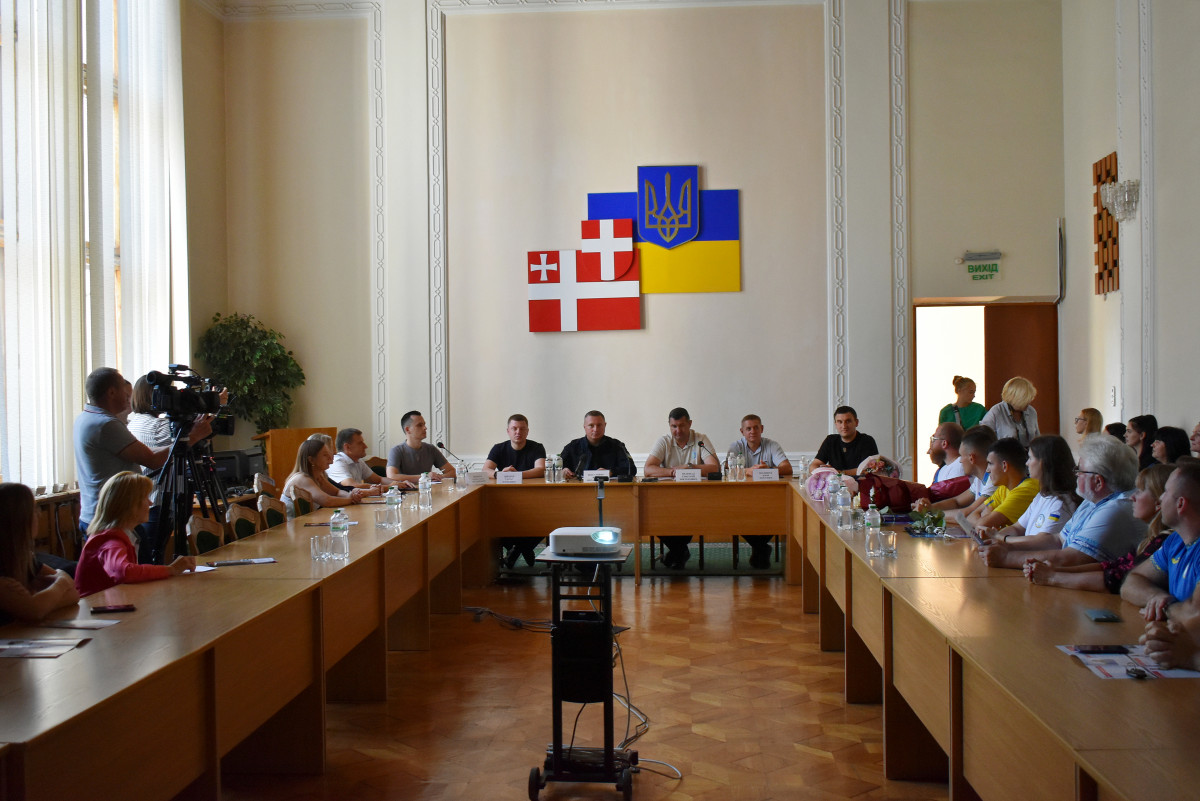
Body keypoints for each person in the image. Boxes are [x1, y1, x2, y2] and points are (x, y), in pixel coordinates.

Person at [74, 367, 213, 551]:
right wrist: (193, 437)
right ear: (111, 392)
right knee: (137, 568)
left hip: (98, 514)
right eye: (125, 392)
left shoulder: (86, 418)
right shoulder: (106, 424)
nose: (128, 398)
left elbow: (142, 452)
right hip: (113, 520)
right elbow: (153, 460)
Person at [978, 433, 1144, 570]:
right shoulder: (1091, 502)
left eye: (1080, 470)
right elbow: (1058, 540)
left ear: (1098, 482)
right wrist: (1004, 544)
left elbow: (1070, 558)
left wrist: (1006, 557)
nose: (1075, 474)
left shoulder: (1115, 509)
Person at [1024, 464, 1172, 594]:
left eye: (1140, 491)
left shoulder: (1164, 542)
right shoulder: (1151, 539)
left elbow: (1118, 578)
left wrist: (1052, 577)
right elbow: (1113, 566)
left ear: (1159, 502)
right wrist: (1054, 569)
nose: (1132, 497)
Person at [74, 472, 195, 596]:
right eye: (145, 498)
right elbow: (123, 572)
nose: (150, 503)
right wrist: (171, 569)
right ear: (130, 505)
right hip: (95, 606)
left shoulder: (122, 534)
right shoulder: (111, 541)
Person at [1121, 464, 1200, 620]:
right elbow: (1131, 581)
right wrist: (1156, 597)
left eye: (1166, 491)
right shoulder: (1174, 541)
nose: (1161, 498)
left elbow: (1196, 615)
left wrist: (1166, 607)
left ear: (1180, 504)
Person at [644, 408, 720, 569]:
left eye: (682, 426)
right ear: (669, 426)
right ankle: (680, 552)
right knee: (653, 517)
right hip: (667, 498)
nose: (678, 431)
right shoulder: (664, 441)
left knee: (689, 517)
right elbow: (648, 469)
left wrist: (690, 467)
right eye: (674, 426)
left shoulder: (700, 439)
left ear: (690, 424)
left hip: (695, 497)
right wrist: (672, 472)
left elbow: (714, 468)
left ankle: (677, 553)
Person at [0, 483, 80, 624]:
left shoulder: (24, 559)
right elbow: (34, 610)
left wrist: (42, 600)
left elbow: (74, 593)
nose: (39, 514)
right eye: (34, 509)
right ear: (19, 519)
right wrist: (61, 582)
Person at [980, 435, 1079, 543]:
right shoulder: (1041, 496)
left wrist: (1001, 538)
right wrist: (995, 537)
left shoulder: (1061, 504)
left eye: (1030, 458)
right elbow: (1017, 528)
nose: (1027, 463)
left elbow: (1041, 541)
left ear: (1043, 463)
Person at [726, 415, 792, 569]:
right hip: (741, 499)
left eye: (756, 427)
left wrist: (769, 469)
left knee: (777, 515)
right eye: (748, 428)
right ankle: (761, 548)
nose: (752, 431)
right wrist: (748, 470)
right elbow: (727, 470)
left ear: (762, 429)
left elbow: (787, 468)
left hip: (768, 498)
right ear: (742, 431)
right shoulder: (736, 446)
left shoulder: (772, 445)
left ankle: (759, 548)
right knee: (736, 517)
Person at [484, 415, 548, 569]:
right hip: (505, 500)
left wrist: (516, 475)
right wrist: (499, 474)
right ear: (508, 431)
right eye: (514, 428)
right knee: (497, 519)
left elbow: (540, 469)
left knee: (546, 517)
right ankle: (524, 548)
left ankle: (518, 549)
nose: (518, 432)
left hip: (533, 499)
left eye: (522, 429)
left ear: (527, 431)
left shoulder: (537, 447)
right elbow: (485, 470)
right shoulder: (499, 448)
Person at [952, 438, 1038, 534]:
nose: (987, 470)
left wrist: (985, 520)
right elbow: (971, 517)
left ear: (1004, 466)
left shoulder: (1025, 490)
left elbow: (983, 524)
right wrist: (984, 522)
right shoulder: (1003, 488)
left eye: (990, 463)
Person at [914, 426, 997, 514]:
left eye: (961, 456)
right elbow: (957, 501)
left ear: (971, 458)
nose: (960, 461)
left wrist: (929, 513)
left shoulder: (992, 481)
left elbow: (968, 513)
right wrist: (929, 507)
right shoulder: (979, 479)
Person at [282, 440, 368, 518]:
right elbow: (327, 501)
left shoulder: (318, 476)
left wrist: (350, 495)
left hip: (305, 524)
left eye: (329, 453)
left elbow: (337, 492)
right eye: (325, 455)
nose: (330, 458)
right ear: (311, 460)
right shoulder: (302, 479)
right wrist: (351, 500)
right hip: (292, 527)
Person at [560, 411, 636, 479]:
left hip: (610, 488)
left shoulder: (617, 445)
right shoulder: (573, 446)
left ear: (605, 425)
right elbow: (557, 467)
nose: (596, 429)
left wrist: (611, 472)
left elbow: (632, 469)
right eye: (591, 425)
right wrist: (563, 470)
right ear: (584, 427)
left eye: (599, 425)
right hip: (578, 488)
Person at [386, 411, 457, 484]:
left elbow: (452, 472)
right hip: (406, 490)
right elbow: (391, 476)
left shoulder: (431, 449)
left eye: (424, 424)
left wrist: (438, 477)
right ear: (407, 429)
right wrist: (425, 477)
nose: (425, 428)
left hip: (428, 489)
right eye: (419, 425)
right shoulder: (396, 451)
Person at [328, 428, 410, 490]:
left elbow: (379, 479)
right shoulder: (337, 462)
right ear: (347, 447)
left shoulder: (358, 461)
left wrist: (400, 483)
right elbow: (352, 486)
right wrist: (389, 487)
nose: (365, 446)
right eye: (360, 443)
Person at [809, 406, 878, 476]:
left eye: (848, 421)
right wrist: (823, 471)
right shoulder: (830, 440)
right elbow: (813, 466)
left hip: (860, 482)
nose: (844, 426)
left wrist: (838, 472)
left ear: (856, 422)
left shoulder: (867, 441)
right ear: (835, 424)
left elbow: (870, 469)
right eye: (840, 422)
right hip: (835, 482)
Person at [979, 376, 1040, 448]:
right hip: (1003, 454)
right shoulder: (997, 411)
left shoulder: (1031, 411)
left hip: (1029, 454)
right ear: (1015, 398)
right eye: (1025, 400)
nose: (1029, 402)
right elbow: (982, 438)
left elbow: (1037, 438)